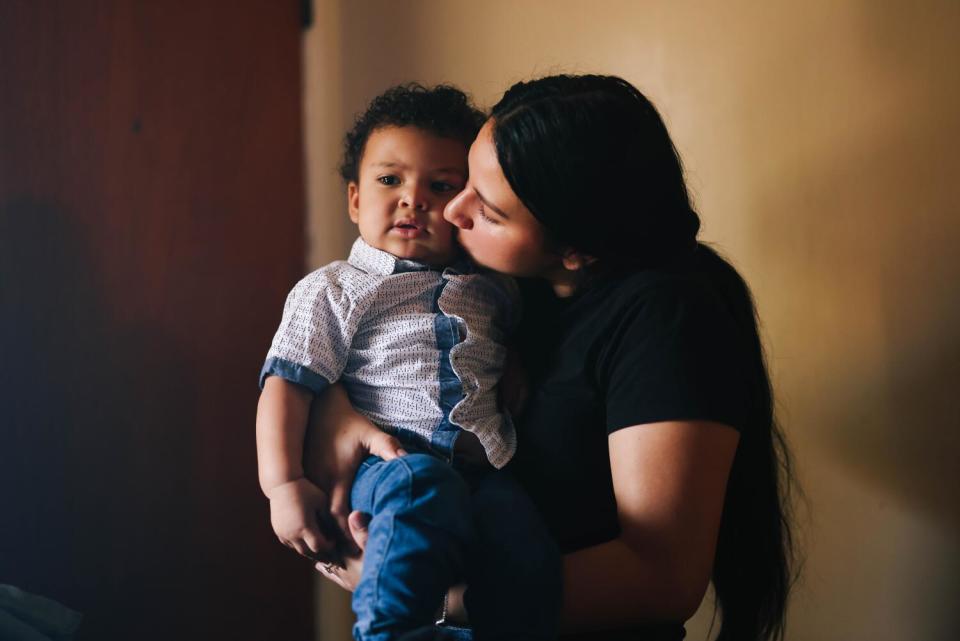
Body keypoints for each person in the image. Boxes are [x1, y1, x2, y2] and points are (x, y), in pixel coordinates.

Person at [311, 74, 796, 641]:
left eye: (487, 211)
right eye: (463, 180)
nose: (452, 211)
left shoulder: (667, 320)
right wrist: (337, 411)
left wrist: (434, 597)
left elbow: (663, 577)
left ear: (576, 249)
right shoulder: (499, 293)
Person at [255, 84, 561, 641]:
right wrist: (283, 485)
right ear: (354, 199)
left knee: (523, 535)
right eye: (390, 179)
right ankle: (389, 632)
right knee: (421, 493)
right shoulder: (334, 290)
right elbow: (285, 384)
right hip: (389, 465)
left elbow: (508, 343)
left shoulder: (495, 290)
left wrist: (514, 361)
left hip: (481, 470)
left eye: (441, 186)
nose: (413, 199)